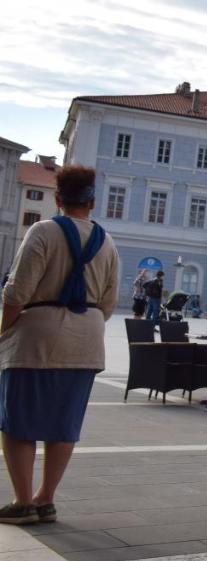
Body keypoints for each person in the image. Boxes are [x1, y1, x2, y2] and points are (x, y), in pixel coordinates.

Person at [0, 165, 120, 525]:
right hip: (86, 341)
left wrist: (4, 330)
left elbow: (17, 292)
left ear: (57, 198)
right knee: (63, 423)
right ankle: (46, 499)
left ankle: (23, 502)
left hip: (37, 338)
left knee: (18, 421)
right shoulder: (107, 241)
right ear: (93, 201)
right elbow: (111, 301)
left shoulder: (43, 231)